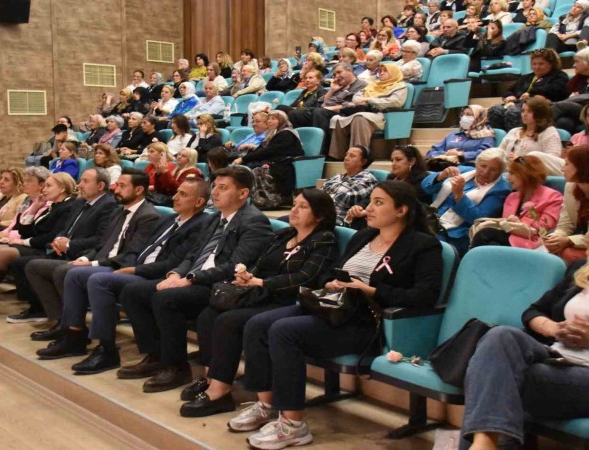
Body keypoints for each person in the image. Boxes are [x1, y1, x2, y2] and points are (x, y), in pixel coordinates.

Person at [234, 181, 443, 449]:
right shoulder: (363, 236)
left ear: (401, 210)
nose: (369, 208)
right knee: (257, 324)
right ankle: (267, 405)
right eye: (370, 201)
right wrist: (332, 282)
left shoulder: (423, 246)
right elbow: (331, 271)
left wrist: (369, 289)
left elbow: (424, 296)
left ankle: (293, 424)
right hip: (333, 307)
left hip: (367, 321)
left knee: (284, 331)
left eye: (379, 203)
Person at [179, 190, 339, 417]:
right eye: (294, 204)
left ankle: (220, 392)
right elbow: (260, 264)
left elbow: (306, 278)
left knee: (229, 321)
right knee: (209, 315)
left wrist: (262, 282)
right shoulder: (283, 234)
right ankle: (211, 377)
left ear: (320, 215)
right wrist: (247, 276)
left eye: (303, 207)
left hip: (289, 300)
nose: (294, 210)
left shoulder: (323, 240)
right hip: (260, 294)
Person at [117, 166, 273, 392]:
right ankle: (156, 355)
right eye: (215, 186)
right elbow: (193, 255)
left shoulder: (254, 222)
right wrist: (175, 274)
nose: (215, 192)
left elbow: (234, 266)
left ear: (243, 193)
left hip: (220, 286)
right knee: (133, 292)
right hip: (196, 279)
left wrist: (190, 278)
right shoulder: (214, 218)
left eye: (223, 188)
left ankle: (177, 367)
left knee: (166, 299)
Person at [49, 178, 211, 373]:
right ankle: (74, 336)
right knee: (76, 275)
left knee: (99, 280)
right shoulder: (169, 220)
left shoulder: (200, 224)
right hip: (137, 267)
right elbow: (139, 248)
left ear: (199, 202)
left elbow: (174, 262)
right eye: (176, 192)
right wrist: (126, 264)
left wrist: (134, 270)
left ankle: (107, 349)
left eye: (183, 194)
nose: (175, 197)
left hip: (157, 274)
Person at [461, 247, 589, 450]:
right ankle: (484, 444)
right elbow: (533, 312)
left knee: (493, 373)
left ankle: (484, 445)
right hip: (558, 357)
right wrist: (554, 328)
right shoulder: (582, 269)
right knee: (500, 336)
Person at [34, 168, 160, 355]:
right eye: (117, 185)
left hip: (121, 266)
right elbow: (103, 244)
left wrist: (93, 264)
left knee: (82, 275)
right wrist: (84, 258)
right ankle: (74, 335)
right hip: (105, 261)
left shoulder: (148, 216)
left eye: (122, 186)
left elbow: (131, 254)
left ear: (139, 190)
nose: (116, 189)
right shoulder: (119, 211)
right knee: (72, 270)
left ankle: (104, 348)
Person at [5, 167, 118, 324]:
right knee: (30, 265)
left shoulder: (108, 205)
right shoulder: (80, 202)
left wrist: (69, 244)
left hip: (84, 254)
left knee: (35, 265)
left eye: (85, 181)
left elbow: (101, 239)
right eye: (81, 180)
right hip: (62, 251)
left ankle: (66, 323)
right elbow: (65, 229)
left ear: (100, 186)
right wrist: (58, 240)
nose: (80, 185)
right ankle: (56, 318)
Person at [0, 173, 77, 313]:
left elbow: (51, 236)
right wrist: (34, 208)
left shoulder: (68, 207)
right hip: (36, 245)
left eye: (48, 186)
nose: (44, 189)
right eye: (44, 185)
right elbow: (25, 231)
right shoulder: (52, 206)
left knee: (3, 253)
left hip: (46, 248)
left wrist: (24, 242)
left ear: (62, 188)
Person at [422, 148, 511, 254]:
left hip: (454, 234)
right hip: (430, 219)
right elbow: (425, 187)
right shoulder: (464, 170)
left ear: (500, 172)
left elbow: (479, 219)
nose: (486, 172)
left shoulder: (501, 190)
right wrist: (441, 175)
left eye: (493, 170)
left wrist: (459, 195)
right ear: (476, 164)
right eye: (483, 166)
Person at [471, 155, 562, 249]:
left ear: (525, 174)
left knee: (486, 234)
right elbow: (506, 226)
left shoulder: (553, 197)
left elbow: (543, 230)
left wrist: (525, 218)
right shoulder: (512, 197)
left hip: (532, 242)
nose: (508, 178)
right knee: (490, 243)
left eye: (512, 173)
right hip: (509, 239)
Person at [330, 64, 409, 160]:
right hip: (366, 111)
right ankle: (337, 156)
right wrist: (364, 101)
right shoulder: (373, 85)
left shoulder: (400, 86)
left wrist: (369, 100)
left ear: (393, 73)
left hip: (383, 115)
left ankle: (358, 157)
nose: (381, 73)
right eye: (380, 71)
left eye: (385, 71)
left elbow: (395, 102)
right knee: (337, 119)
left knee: (359, 118)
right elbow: (356, 98)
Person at [347, 145, 431, 230]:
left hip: (407, 222)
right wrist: (359, 207)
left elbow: (409, 207)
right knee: (357, 219)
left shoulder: (423, 181)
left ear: (412, 161)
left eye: (398, 160)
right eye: (392, 160)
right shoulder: (391, 178)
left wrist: (368, 212)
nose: (393, 164)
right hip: (383, 216)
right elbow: (372, 197)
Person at [289, 63, 368, 154]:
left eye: (339, 72)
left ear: (349, 71)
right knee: (295, 114)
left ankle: (321, 151)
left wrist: (333, 107)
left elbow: (355, 104)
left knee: (319, 112)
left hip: (344, 111)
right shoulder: (339, 85)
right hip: (326, 110)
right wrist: (332, 90)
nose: (337, 76)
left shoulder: (361, 85)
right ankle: (298, 149)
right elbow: (323, 102)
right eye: (335, 74)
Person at [235, 110, 304, 209]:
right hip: (274, 162)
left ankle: (270, 200)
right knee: (247, 167)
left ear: (281, 120)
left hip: (284, 166)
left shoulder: (287, 133)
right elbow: (261, 150)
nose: (269, 121)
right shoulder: (272, 133)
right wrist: (244, 159)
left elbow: (269, 151)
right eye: (268, 119)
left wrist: (243, 159)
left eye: (273, 119)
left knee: (257, 170)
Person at [488, 49, 569, 132]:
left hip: (541, 107)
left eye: (541, 64)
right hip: (518, 103)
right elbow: (510, 90)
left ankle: (520, 137)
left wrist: (531, 93)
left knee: (512, 112)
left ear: (551, 64)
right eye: (534, 64)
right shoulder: (527, 77)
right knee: (494, 110)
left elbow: (554, 89)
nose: (537, 67)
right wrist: (510, 96)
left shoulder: (560, 76)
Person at [543, 145, 589, 263]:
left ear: (582, 167)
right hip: (579, 236)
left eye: (567, 164)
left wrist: (568, 240)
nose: (562, 169)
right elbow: (566, 220)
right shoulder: (570, 186)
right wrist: (557, 237)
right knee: (549, 245)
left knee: (568, 253)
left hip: (584, 242)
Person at [500, 97, 565, 175]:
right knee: (493, 153)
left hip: (535, 173)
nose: (524, 114)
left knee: (534, 155)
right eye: (523, 111)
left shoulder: (549, 131)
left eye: (529, 111)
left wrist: (521, 160)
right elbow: (500, 152)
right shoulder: (514, 131)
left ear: (540, 114)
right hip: (509, 172)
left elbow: (552, 159)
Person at [322, 146, 379, 225]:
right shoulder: (336, 177)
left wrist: (323, 199)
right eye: (346, 155)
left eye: (352, 156)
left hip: (337, 219)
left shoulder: (367, 179)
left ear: (363, 161)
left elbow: (345, 199)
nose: (346, 158)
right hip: (320, 214)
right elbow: (319, 194)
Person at [425, 105, 496, 166]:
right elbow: (433, 151)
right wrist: (446, 154)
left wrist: (460, 155)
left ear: (479, 118)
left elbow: (484, 154)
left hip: (469, 167)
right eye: (463, 114)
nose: (464, 117)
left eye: (468, 115)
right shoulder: (452, 135)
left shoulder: (487, 136)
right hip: (444, 164)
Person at [552, 48, 589, 134]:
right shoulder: (579, 79)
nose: (574, 65)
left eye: (577, 62)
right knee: (564, 122)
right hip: (578, 110)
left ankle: (539, 129)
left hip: (586, 108)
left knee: (560, 105)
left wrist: (574, 98)